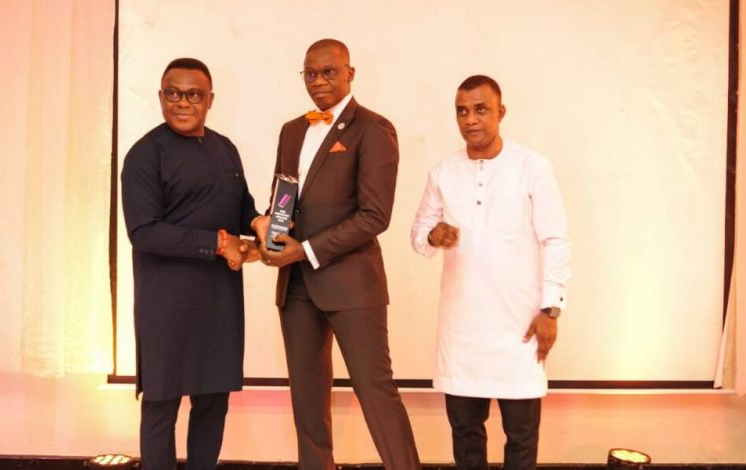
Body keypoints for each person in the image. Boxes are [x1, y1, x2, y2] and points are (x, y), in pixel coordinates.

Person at [253, 39, 421, 470]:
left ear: (350, 74)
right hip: (296, 288)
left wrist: (305, 250)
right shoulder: (292, 130)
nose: (319, 81)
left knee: (375, 392)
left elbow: (375, 215)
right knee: (307, 401)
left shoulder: (374, 128)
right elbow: (284, 199)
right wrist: (268, 234)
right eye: (310, 73)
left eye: (329, 71)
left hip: (352, 285)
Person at [410, 75, 571, 470]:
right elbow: (418, 233)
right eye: (462, 111)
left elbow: (555, 238)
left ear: (501, 112)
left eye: (481, 109)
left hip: (520, 327)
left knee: (521, 437)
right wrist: (433, 234)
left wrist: (551, 309)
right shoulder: (443, 172)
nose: (470, 120)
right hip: (462, 331)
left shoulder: (533, 167)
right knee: (466, 436)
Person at [121, 57, 261, 470]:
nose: (183, 103)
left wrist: (258, 225)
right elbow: (144, 231)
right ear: (161, 97)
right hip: (166, 302)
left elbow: (241, 208)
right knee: (161, 405)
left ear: (210, 100)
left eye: (194, 95)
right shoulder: (145, 155)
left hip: (219, 299)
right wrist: (219, 243)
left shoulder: (225, 148)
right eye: (174, 94)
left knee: (213, 401)